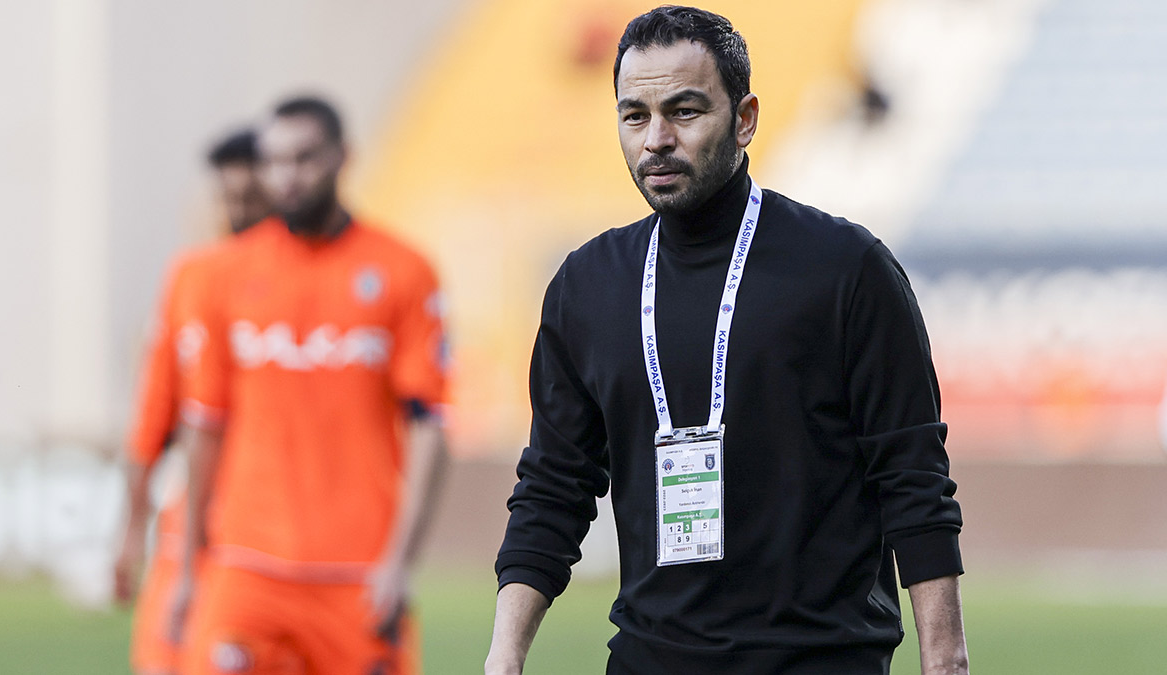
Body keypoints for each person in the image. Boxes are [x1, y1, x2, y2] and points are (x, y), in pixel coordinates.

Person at [486, 7, 968, 675]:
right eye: (635, 116)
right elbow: (553, 486)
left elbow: (912, 475)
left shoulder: (846, 269)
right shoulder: (586, 286)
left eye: (684, 112)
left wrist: (945, 658)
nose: (657, 139)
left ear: (744, 119)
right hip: (649, 661)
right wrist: (504, 653)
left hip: (820, 661)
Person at [173, 96, 449, 675]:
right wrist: (188, 568)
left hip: (359, 572)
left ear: (343, 157)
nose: (288, 176)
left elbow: (428, 426)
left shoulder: (403, 271)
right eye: (276, 161)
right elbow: (204, 424)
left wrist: (400, 561)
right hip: (246, 565)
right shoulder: (224, 275)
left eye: (304, 159)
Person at [115, 128, 270, 675]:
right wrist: (130, 528)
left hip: (270, 531)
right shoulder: (191, 276)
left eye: (251, 199)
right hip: (193, 524)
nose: (239, 213)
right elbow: (154, 412)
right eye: (230, 199)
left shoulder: (308, 281)